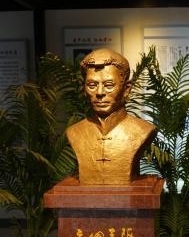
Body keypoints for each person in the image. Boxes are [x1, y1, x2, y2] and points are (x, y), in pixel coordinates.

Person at [66, 48, 157, 185]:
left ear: (126, 89)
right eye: (92, 85)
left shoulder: (143, 131)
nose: (100, 93)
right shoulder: (74, 132)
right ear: (84, 89)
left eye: (109, 85)